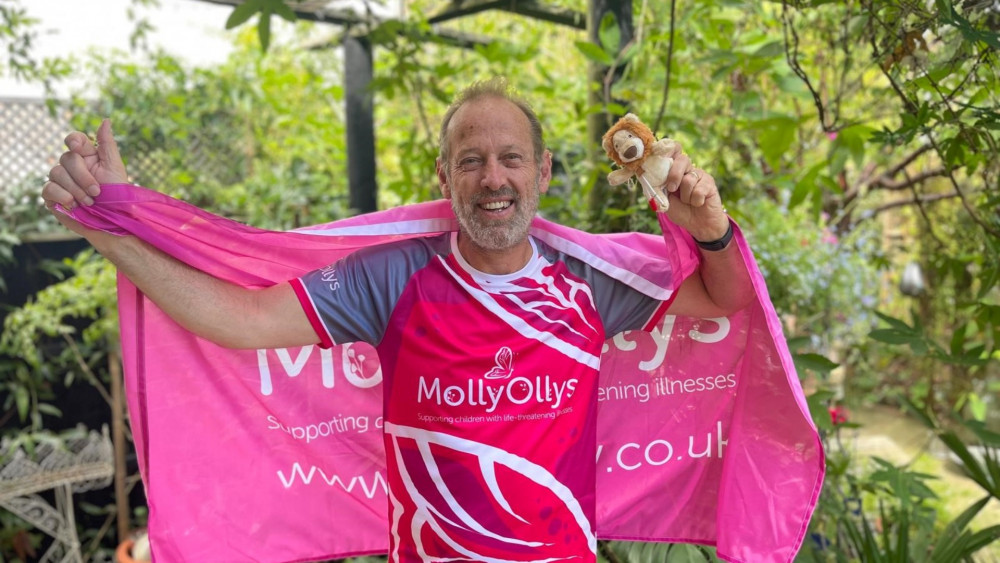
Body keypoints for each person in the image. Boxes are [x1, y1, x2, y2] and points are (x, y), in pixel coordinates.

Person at [42, 77, 753, 561]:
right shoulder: (394, 277)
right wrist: (110, 231)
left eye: (511, 158)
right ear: (444, 179)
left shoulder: (592, 283)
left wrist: (712, 226)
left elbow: (725, 299)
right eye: (471, 161)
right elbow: (238, 318)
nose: (493, 178)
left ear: (543, 171)